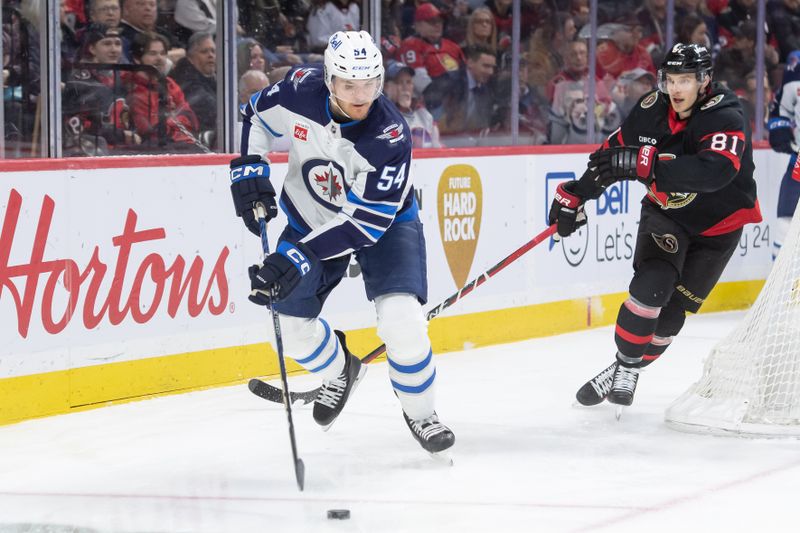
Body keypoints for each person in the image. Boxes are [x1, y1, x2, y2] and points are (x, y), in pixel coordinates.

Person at [231, 30, 455, 455]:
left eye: (369, 84)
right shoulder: (300, 88)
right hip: (309, 214)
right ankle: (340, 371)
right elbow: (255, 115)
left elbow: (365, 224)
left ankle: (421, 412)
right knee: (288, 332)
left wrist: (298, 256)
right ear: (329, 79)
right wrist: (250, 168)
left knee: (402, 322)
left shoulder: (389, 135)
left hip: (383, 223)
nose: (360, 95)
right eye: (349, 84)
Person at [548, 43, 761, 409]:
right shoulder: (651, 110)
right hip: (668, 215)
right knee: (653, 286)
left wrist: (650, 169)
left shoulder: (725, 113)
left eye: (685, 81)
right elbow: (611, 158)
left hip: (719, 226)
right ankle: (629, 366)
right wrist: (578, 194)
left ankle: (620, 367)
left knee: (671, 318)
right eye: (671, 80)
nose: (676, 89)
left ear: (704, 81)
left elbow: (717, 171)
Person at [767, 50, 800, 259]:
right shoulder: (796, 72)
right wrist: (779, 129)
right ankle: (782, 288)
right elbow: (781, 108)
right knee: (784, 224)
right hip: (799, 161)